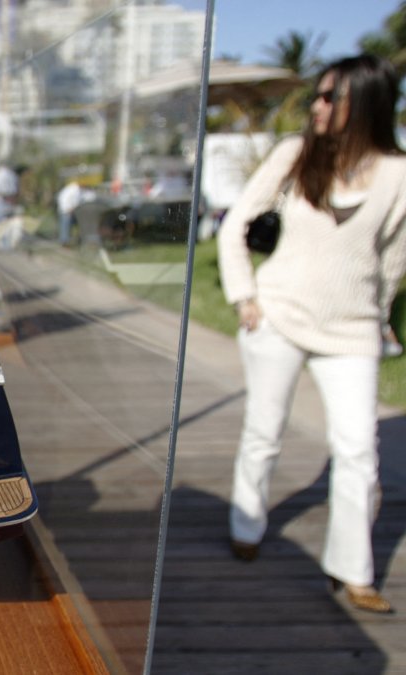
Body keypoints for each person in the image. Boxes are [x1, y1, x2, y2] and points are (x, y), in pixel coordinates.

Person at [217, 54, 406, 614]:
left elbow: (395, 258)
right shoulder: (294, 155)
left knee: (357, 451)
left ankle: (354, 571)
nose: (317, 106)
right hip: (278, 314)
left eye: (331, 96)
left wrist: (383, 312)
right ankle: (246, 526)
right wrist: (243, 296)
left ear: (365, 103)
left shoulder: (399, 172)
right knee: (264, 431)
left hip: (352, 329)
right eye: (318, 95)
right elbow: (235, 226)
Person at [56, 177, 84, 246]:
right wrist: (69, 208)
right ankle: (65, 241)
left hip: (68, 210)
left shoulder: (75, 189)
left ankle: (67, 240)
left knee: (66, 226)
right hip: (66, 210)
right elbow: (70, 200)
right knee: (66, 226)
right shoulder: (74, 189)